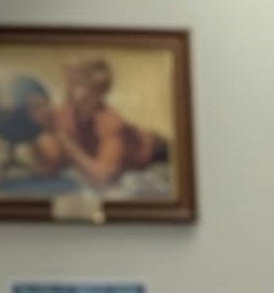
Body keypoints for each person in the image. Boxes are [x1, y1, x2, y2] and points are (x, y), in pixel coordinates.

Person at [27, 58, 173, 194]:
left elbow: (102, 180)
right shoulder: (64, 113)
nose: (69, 91)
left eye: (78, 85)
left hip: (155, 152)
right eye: (69, 83)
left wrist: (62, 137)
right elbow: (51, 161)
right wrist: (33, 131)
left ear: (98, 93)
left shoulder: (111, 123)